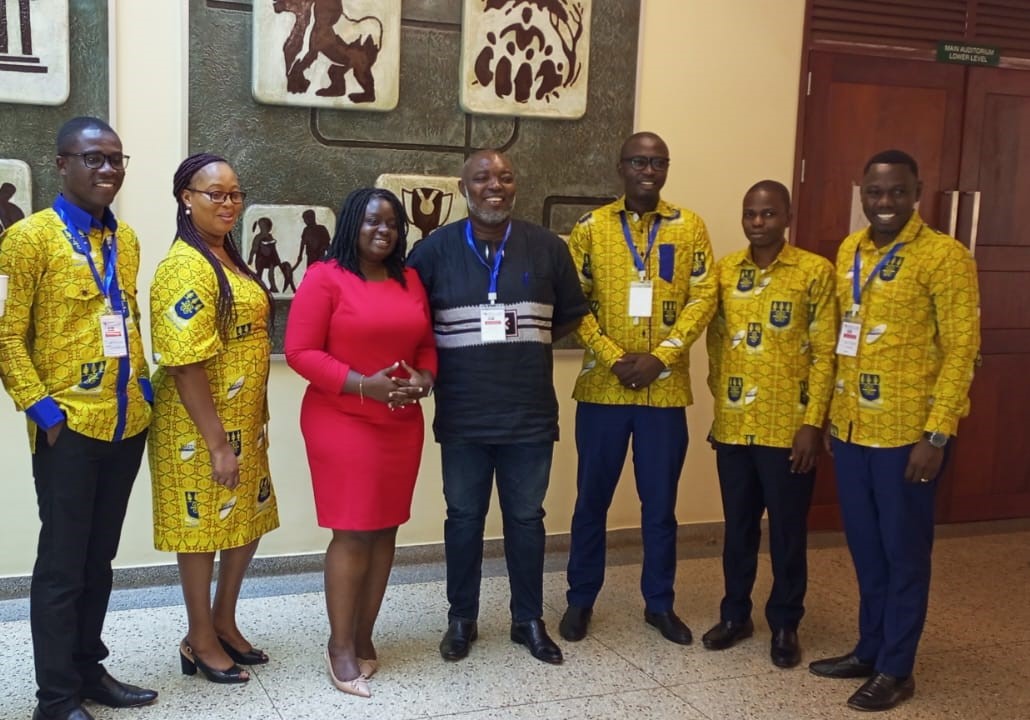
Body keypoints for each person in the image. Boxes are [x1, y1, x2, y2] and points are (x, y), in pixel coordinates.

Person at [808, 150, 980, 711]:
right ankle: (870, 648)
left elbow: (962, 350)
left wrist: (938, 435)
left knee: (904, 554)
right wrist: (833, 415)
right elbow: (842, 337)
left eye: (896, 193)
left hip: (910, 436)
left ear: (917, 193)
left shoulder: (945, 257)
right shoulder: (850, 250)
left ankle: (898, 668)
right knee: (866, 549)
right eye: (875, 193)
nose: (884, 204)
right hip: (855, 428)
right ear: (862, 192)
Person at [0, 117, 157, 720]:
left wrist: (140, 384)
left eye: (116, 159)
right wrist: (43, 409)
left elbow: (129, 320)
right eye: (93, 159)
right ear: (62, 163)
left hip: (126, 425)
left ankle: (89, 672)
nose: (108, 170)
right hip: (67, 429)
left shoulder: (127, 240)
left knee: (100, 559)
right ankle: (55, 698)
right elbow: (8, 336)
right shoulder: (27, 239)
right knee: (63, 566)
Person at [407, 149, 589, 666]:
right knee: (463, 519)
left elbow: (567, 317)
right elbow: (411, 323)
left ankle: (527, 619)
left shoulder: (548, 247)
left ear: (515, 186)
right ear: (463, 188)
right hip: (463, 416)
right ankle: (461, 618)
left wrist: (518, 345)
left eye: (505, 177)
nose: (495, 186)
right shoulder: (433, 252)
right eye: (482, 177)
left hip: (528, 416)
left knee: (527, 519)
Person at [559, 131, 717, 646]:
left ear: (666, 168)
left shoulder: (689, 227)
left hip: (663, 395)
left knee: (660, 505)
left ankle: (660, 605)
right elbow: (573, 303)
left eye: (657, 162)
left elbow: (703, 299)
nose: (648, 170)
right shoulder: (591, 228)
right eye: (638, 161)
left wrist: (661, 358)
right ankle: (580, 600)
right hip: (602, 392)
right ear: (620, 167)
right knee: (591, 503)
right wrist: (612, 358)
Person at [285, 188, 436, 698]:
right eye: (372, 221)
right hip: (341, 418)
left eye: (392, 223)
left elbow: (425, 345)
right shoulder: (325, 277)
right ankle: (340, 646)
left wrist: (425, 378)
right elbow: (299, 351)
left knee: (386, 529)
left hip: (400, 421)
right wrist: (360, 383)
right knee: (352, 531)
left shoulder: (410, 278)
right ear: (352, 224)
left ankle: (365, 633)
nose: (383, 231)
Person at [148, 153, 279, 685]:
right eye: (214, 194)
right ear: (186, 198)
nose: (228, 203)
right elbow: (183, 363)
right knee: (201, 531)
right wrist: (218, 444)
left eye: (235, 194)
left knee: (245, 522)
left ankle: (223, 621)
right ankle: (199, 637)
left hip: (244, 421)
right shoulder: (185, 266)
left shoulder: (226, 256)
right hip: (197, 428)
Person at [702, 181, 836, 668]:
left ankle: (785, 623)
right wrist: (723, 405)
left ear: (787, 217)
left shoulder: (814, 273)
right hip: (735, 426)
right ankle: (735, 615)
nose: (758, 222)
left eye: (768, 214)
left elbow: (826, 354)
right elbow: (716, 343)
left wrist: (812, 423)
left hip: (789, 431)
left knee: (786, 531)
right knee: (737, 528)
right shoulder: (724, 272)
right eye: (751, 214)